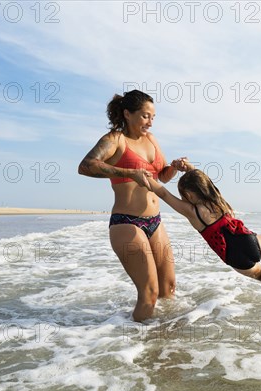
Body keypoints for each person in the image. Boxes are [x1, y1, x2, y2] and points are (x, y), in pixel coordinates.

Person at [78, 90, 186, 322]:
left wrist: (174, 167)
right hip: (127, 223)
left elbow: (162, 176)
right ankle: (137, 347)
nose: (150, 121)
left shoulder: (151, 139)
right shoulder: (115, 140)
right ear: (127, 114)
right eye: (145, 116)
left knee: (168, 288)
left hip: (155, 222)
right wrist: (127, 173)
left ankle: (164, 340)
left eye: (153, 117)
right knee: (149, 293)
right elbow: (86, 165)